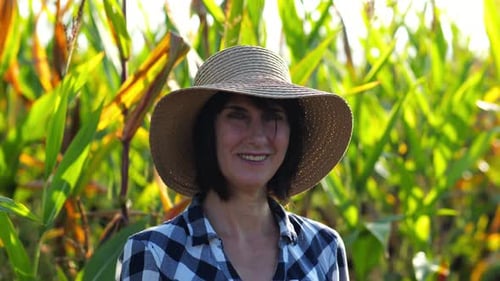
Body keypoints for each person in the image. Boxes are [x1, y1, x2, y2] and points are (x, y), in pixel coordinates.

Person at [116, 45, 353, 280]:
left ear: (293, 135)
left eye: (273, 117)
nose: (258, 137)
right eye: (238, 116)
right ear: (208, 131)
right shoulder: (155, 253)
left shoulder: (323, 248)